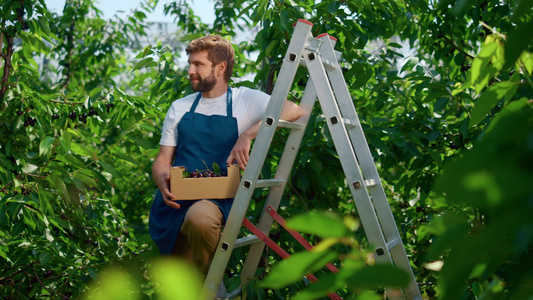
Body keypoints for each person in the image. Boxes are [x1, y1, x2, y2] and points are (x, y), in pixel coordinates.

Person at [149, 35, 303, 299]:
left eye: (198, 64)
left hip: (216, 198)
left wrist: (249, 133)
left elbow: (293, 109)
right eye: (190, 63)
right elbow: (163, 159)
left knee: (200, 220)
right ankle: (212, 289)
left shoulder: (244, 100)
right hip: (176, 200)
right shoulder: (180, 107)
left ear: (220, 68)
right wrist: (161, 177)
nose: (190, 70)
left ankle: (211, 289)